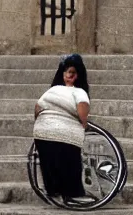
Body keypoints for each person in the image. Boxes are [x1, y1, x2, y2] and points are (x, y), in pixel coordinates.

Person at [33, 54, 90, 201]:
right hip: (66, 134)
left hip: (42, 131)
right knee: (71, 161)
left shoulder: (52, 91)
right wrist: (84, 125)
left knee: (49, 162)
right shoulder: (80, 92)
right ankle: (73, 193)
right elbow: (82, 110)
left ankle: (53, 190)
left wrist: (42, 123)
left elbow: (38, 108)